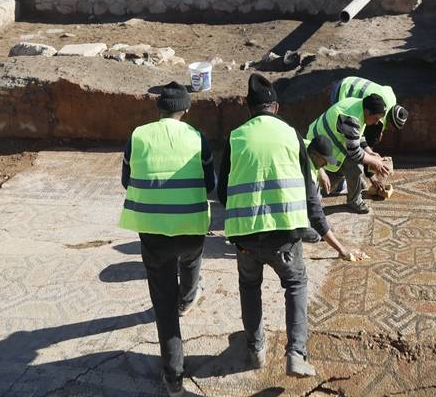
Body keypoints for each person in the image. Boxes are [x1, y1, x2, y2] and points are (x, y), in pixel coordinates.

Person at [218, 74, 331, 378]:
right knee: (295, 285)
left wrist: (242, 218)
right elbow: (310, 191)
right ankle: (296, 353)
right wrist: (321, 230)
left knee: (249, 286)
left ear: (248, 107)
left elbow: (222, 190)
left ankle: (255, 349)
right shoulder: (292, 135)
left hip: (245, 237)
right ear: (276, 107)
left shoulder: (236, 136)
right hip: (284, 236)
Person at [117, 81, 215, 397]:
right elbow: (210, 184)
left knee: (163, 305)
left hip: (153, 230)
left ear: (158, 109)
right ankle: (188, 297)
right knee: (191, 258)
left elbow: (125, 180)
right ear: (186, 109)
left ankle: (173, 378)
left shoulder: (138, 136)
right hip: (190, 226)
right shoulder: (198, 138)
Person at [305, 94, 390, 214]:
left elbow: (357, 135)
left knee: (353, 167)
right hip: (319, 146)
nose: (377, 123)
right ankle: (354, 201)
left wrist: (370, 152)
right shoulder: (352, 118)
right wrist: (374, 161)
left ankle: (349, 182)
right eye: (376, 118)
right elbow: (354, 152)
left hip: (327, 140)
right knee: (355, 168)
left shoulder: (359, 106)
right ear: (367, 112)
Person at [329, 76, 409, 198]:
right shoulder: (378, 116)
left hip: (349, 82)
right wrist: (372, 175)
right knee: (345, 145)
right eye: (391, 126)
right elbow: (358, 147)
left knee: (354, 141)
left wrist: (370, 153)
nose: (390, 130)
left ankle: (353, 178)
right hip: (343, 91)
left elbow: (362, 139)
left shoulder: (390, 103)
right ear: (388, 119)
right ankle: (339, 184)